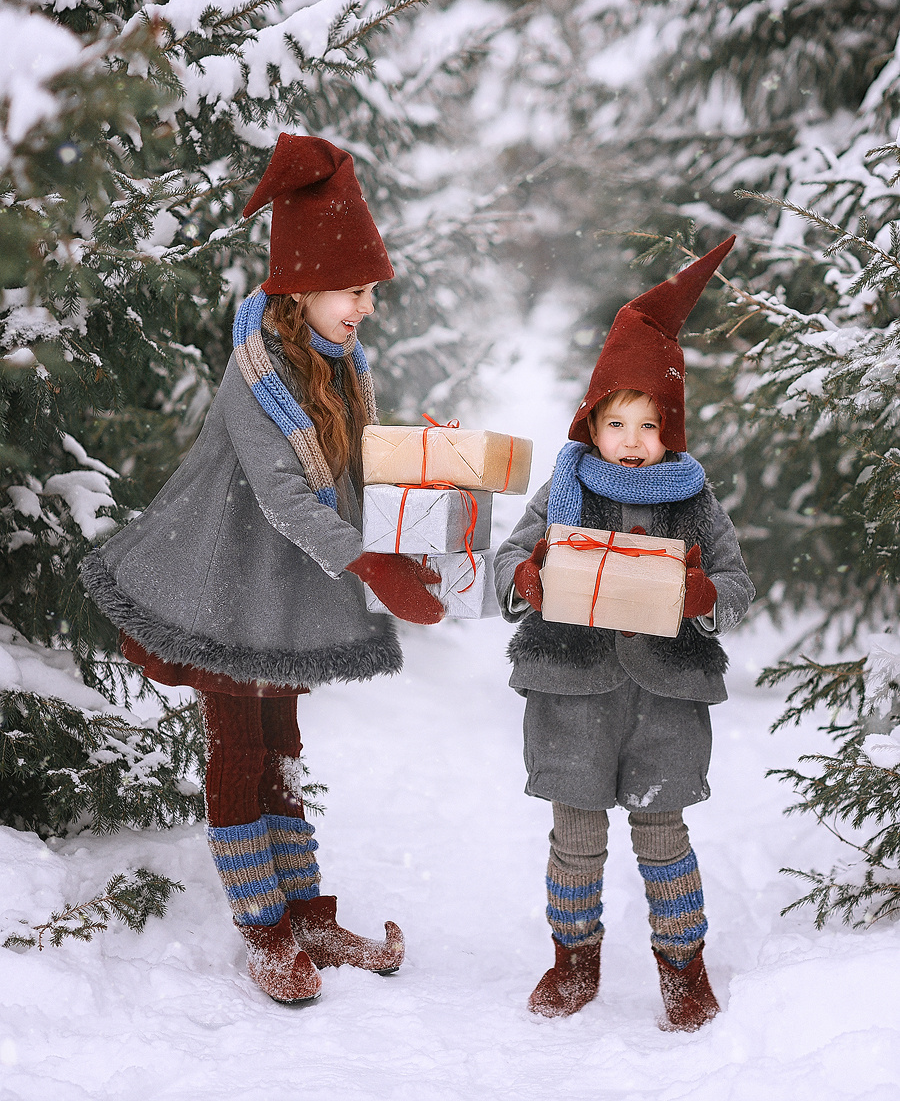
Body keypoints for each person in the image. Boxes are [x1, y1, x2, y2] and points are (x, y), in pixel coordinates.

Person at [81, 134, 445, 1005]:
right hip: (222, 575)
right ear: (302, 289)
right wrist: (369, 565)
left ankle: (308, 914)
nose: (365, 308)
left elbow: (354, 468)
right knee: (239, 748)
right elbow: (283, 494)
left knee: (281, 744)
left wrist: (424, 467)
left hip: (286, 581)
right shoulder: (258, 370)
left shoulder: (340, 363)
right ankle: (265, 929)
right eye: (353, 291)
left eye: (369, 292)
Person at [493, 237, 754, 1031]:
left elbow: (738, 587)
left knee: (662, 832)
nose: (633, 441)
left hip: (665, 697)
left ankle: (682, 966)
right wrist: (529, 577)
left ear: (670, 430)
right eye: (617, 423)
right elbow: (508, 558)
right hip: (572, 690)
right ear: (592, 425)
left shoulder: (693, 499)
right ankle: (574, 960)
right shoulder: (566, 486)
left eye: (649, 424)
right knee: (575, 835)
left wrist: (704, 595)